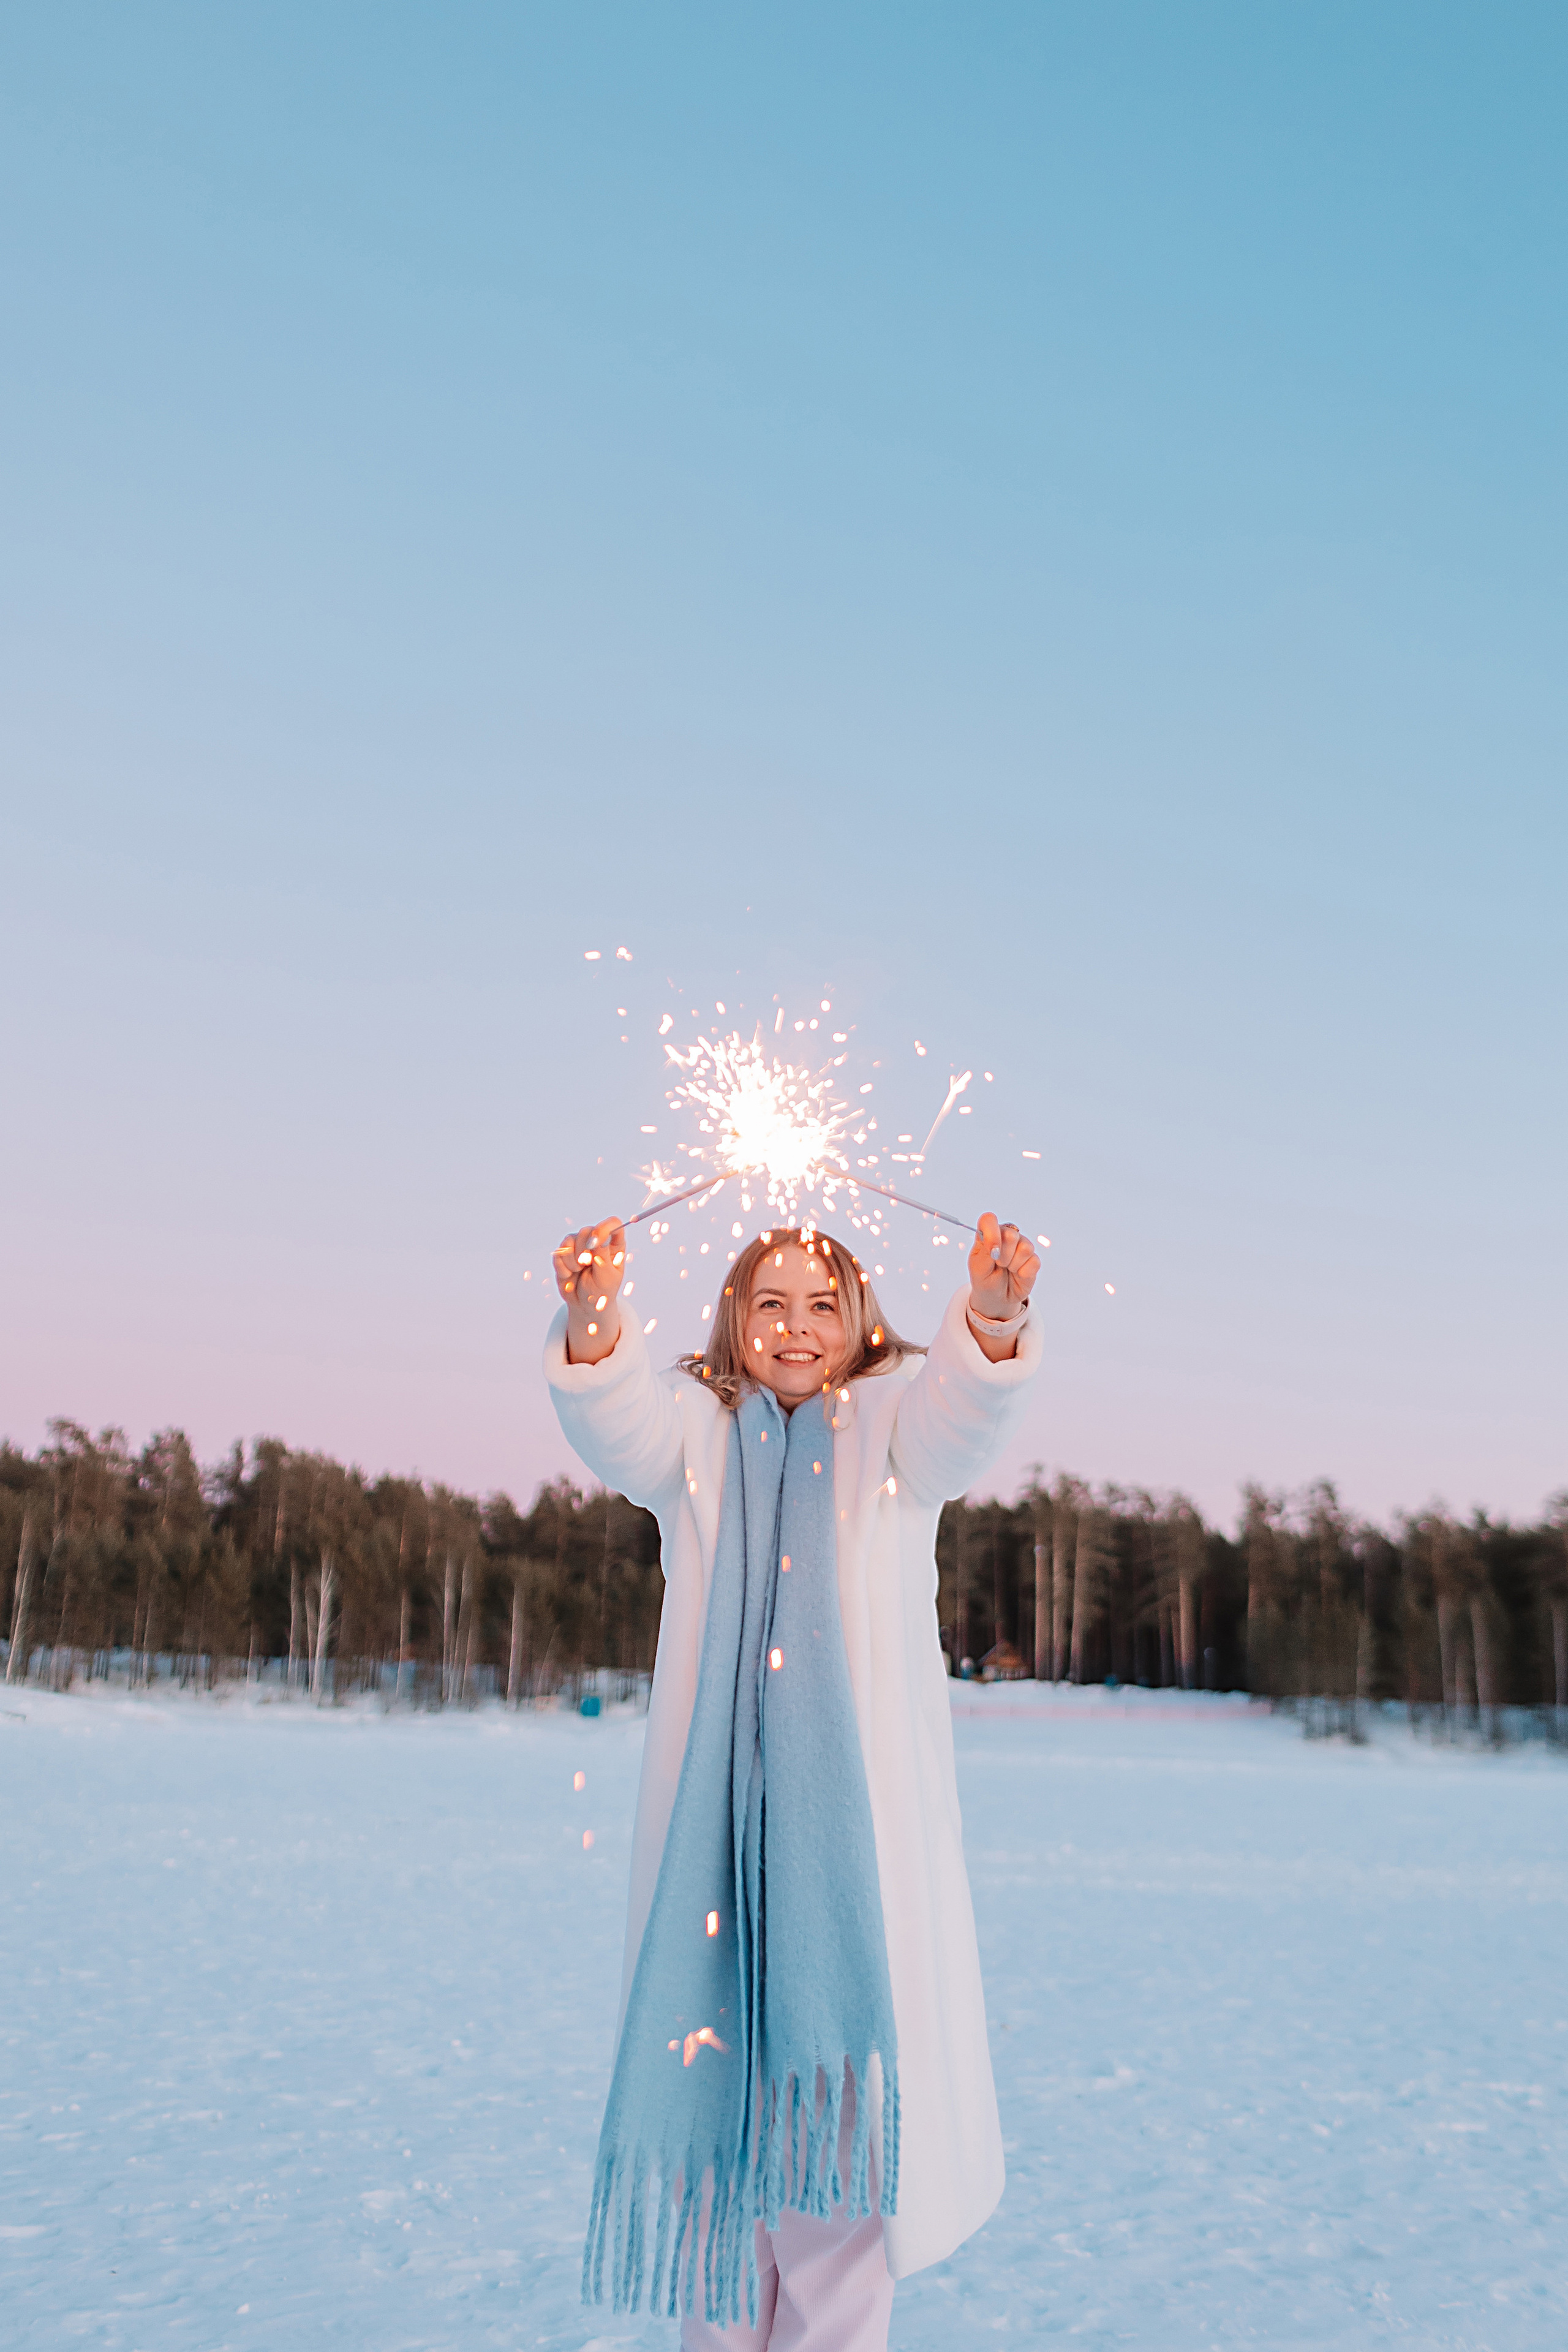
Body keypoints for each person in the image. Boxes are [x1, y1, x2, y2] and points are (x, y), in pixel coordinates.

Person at [547, 1208, 1040, 2351]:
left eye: (822, 1303)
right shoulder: (694, 1433)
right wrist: (592, 1321)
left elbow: (964, 1421)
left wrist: (997, 1318)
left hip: (846, 1880)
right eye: (770, 1302)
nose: (797, 1326)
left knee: (834, 2193)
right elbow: (614, 1424)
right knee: (720, 2194)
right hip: (712, 1869)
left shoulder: (893, 1436)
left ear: (861, 1321)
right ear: (734, 1318)